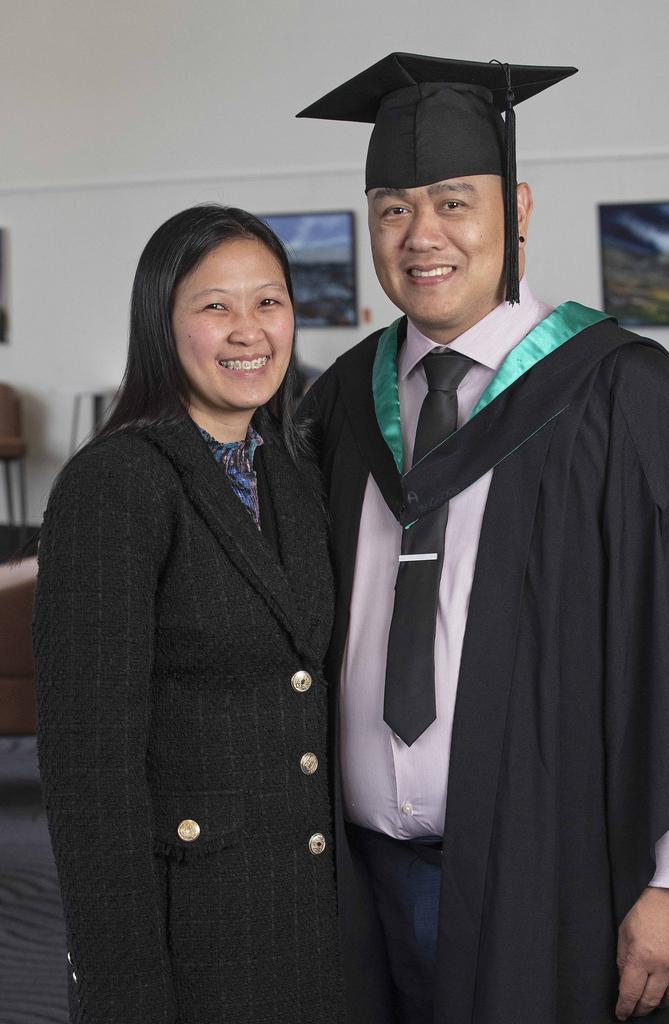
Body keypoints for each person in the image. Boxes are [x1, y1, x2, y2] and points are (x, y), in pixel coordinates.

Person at [297, 53, 669, 1024]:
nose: (421, 235)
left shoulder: (627, 394)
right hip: (351, 877)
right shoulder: (344, 398)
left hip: (554, 872)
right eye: (392, 208)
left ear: (517, 208)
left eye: (453, 203)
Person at [33, 205, 344, 1024]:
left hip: (313, 921)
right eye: (216, 306)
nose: (249, 331)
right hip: (192, 930)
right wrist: (121, 983)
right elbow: (87, 767)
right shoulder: (116, 485)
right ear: (161, 325)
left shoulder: (293, 469)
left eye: (268, 302)